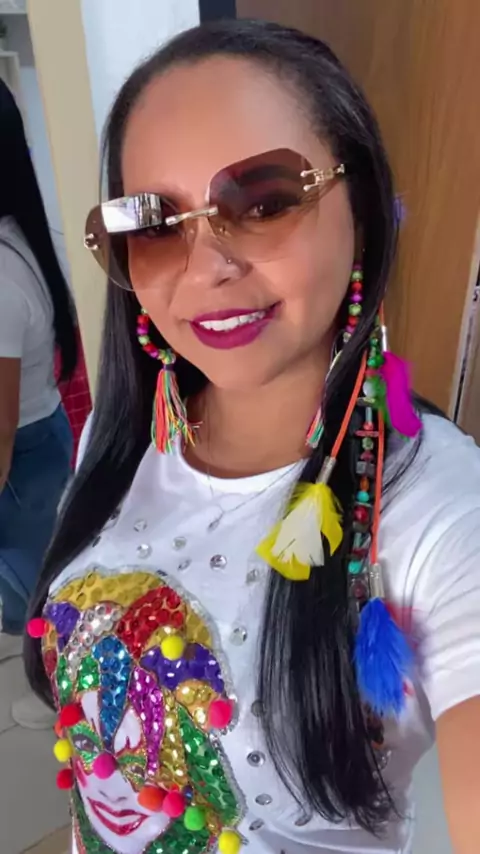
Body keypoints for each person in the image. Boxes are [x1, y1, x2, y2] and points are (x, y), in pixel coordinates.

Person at [24, 19, 480, 854]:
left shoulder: (440, 511)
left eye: (265, 203)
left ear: (364, 210)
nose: (207, 267)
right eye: (154, 223)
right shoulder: (118, 446)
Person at [0, 80, 77, 659]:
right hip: (40, 431)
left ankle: (51, 672)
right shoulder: (23, 233)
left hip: (19, 452)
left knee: (33, 596)